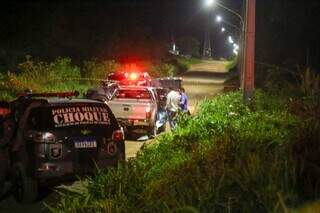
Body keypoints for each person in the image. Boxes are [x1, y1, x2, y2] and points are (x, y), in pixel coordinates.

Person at [0, 101, 15, 196]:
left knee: (2, 171)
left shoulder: (9, 121)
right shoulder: (3, 119)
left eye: (1, 109)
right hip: (2, 149)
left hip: (5, 150)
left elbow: (7, 138)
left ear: (5, 110)